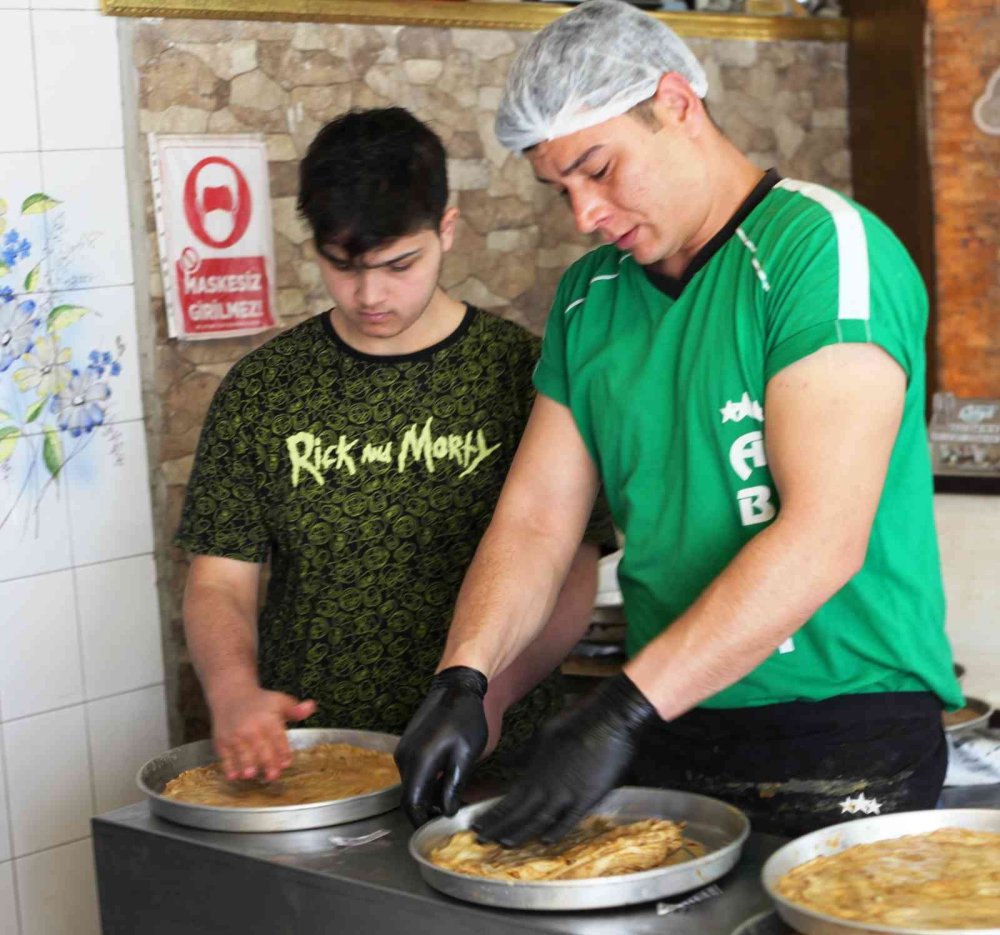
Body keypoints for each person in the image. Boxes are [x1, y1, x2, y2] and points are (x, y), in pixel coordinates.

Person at [394, 0, 963, 840]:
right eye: (561, 189)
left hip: (845, 729)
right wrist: (466, 679)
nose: (584, 214)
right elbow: (537, 519)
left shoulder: (823, 250)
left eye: (599, 169)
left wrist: (622, 707)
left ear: (677, 104)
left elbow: (823, 538)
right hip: (672, 719)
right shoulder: (589, 298)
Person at [175, 107, 614, 793]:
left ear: (447, 228)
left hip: (494, 757)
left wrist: (491, 695)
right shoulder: (264, 388)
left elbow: (572, 571)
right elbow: (218, 580)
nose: (370, 294)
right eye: (342, 266)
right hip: (315, 762)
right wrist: (232, 690)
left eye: (399, 264)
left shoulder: (524, 374)